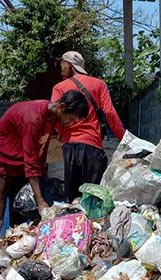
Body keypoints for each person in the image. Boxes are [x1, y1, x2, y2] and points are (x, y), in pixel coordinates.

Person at [0, 90, 89, 241]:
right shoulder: (34, 118)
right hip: (2, 159)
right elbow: (31, 160)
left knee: (20, 206)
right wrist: (40, 201)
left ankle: (12, 244)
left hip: (20, 162)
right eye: (70, 119)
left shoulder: (51, 117)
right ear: (61, 107)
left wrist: (42, 176)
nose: (69, 124)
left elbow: (40, 150)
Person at [51, 51, 126, 202]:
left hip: (70, 146)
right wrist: (124, 139)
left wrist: (61, 134)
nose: (61, 70)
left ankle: (73, 223)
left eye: (62, 65)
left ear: (70, 65)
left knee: (72, 199)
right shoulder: (99, 84)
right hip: (93, 146)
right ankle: (93, 225)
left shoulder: (59, 87)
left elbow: (55, 116)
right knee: (92, 198)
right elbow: (109, 113)